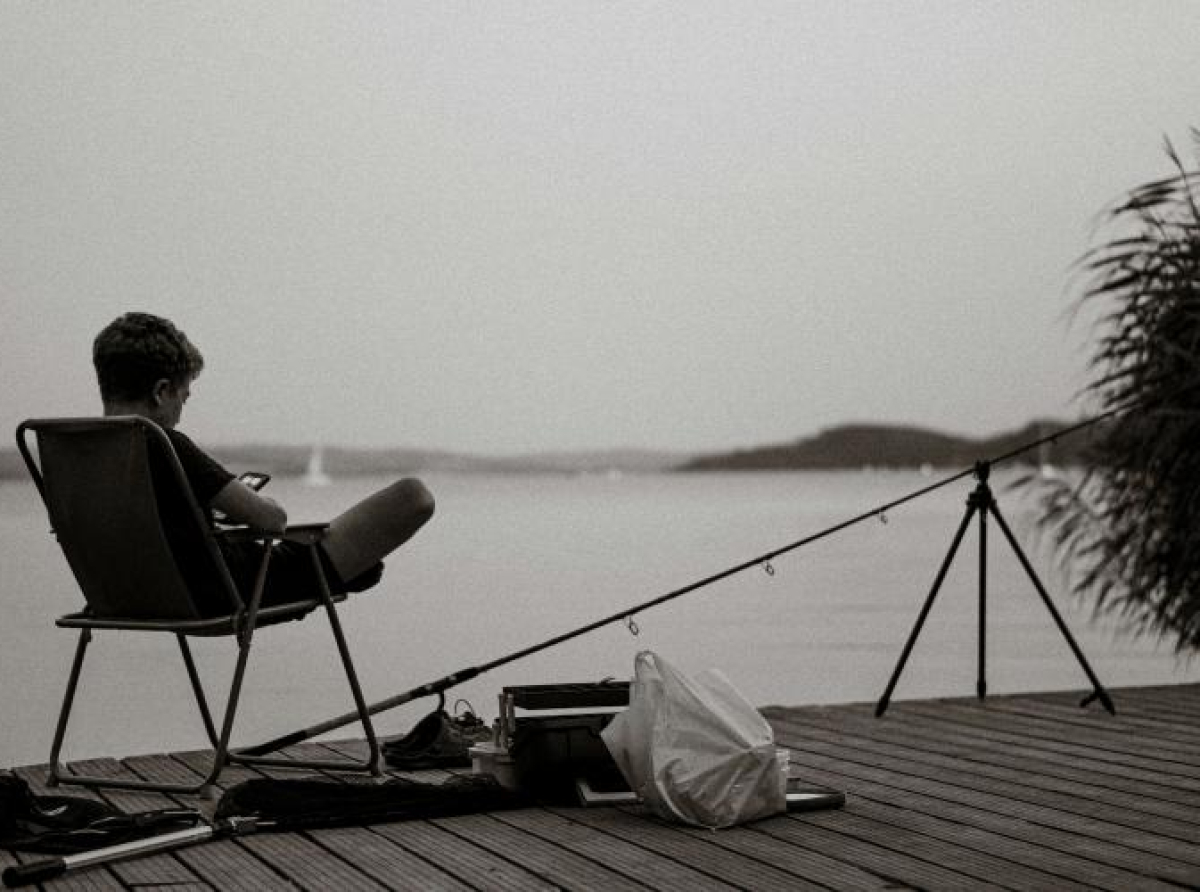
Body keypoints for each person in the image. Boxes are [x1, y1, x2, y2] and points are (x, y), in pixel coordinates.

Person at [92, 311, 435, 610]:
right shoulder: (162, 444)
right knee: (413, 496)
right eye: (183, 398)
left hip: (121, 595)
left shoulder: (74, 452)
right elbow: (271, 521)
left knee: (360, 566)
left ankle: (353, 569)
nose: (180, 413)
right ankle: (353, 569)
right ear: (161, 391)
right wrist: (257, 503)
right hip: (222, 592)